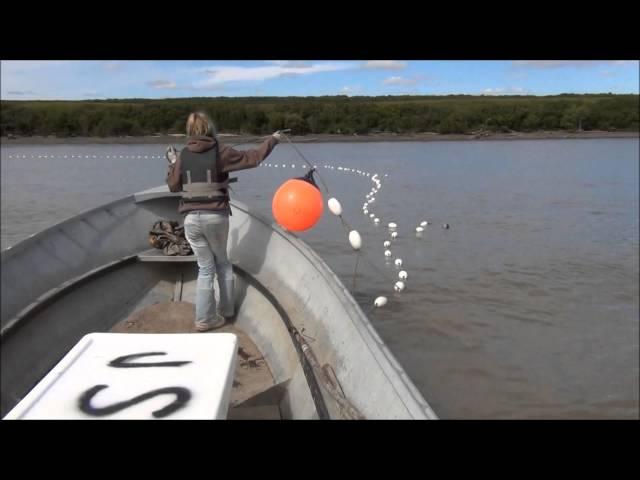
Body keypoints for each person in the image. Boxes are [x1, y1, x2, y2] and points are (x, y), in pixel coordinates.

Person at [166, 111, 281, 332]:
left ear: (189, 132)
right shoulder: (222, 152)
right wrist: (273, 140)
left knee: (205, 268)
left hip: (190, 220)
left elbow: (173, 185)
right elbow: (254, 158)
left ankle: (203, 319)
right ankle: (226, 311)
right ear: (210, 129)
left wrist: (173, 162)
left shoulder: (182, 156)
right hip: (215, 217)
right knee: (222, 263)